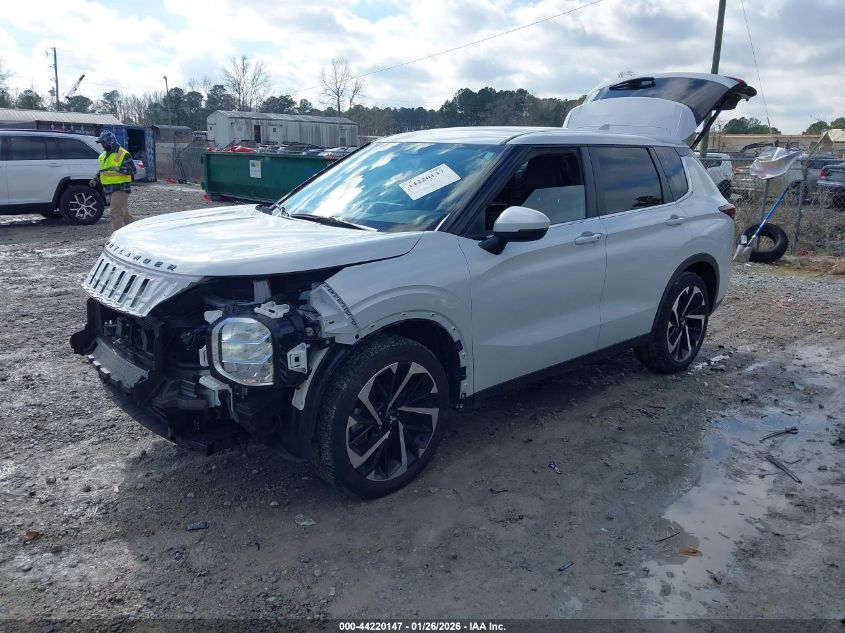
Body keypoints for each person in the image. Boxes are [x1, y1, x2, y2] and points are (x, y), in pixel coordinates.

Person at [93, 130, 137, 230]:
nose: (102, 145)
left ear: (110, 141)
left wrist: (118, 169)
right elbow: (103, 170)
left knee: (115, 213)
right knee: (124, 215)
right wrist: (95, 178)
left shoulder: (122, 154)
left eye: (103, 143)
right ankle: (137, 232)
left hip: (121, 188)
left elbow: (132, 170)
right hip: (110, 189)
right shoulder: (103, 156)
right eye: (101, 143)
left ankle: (117, 238)